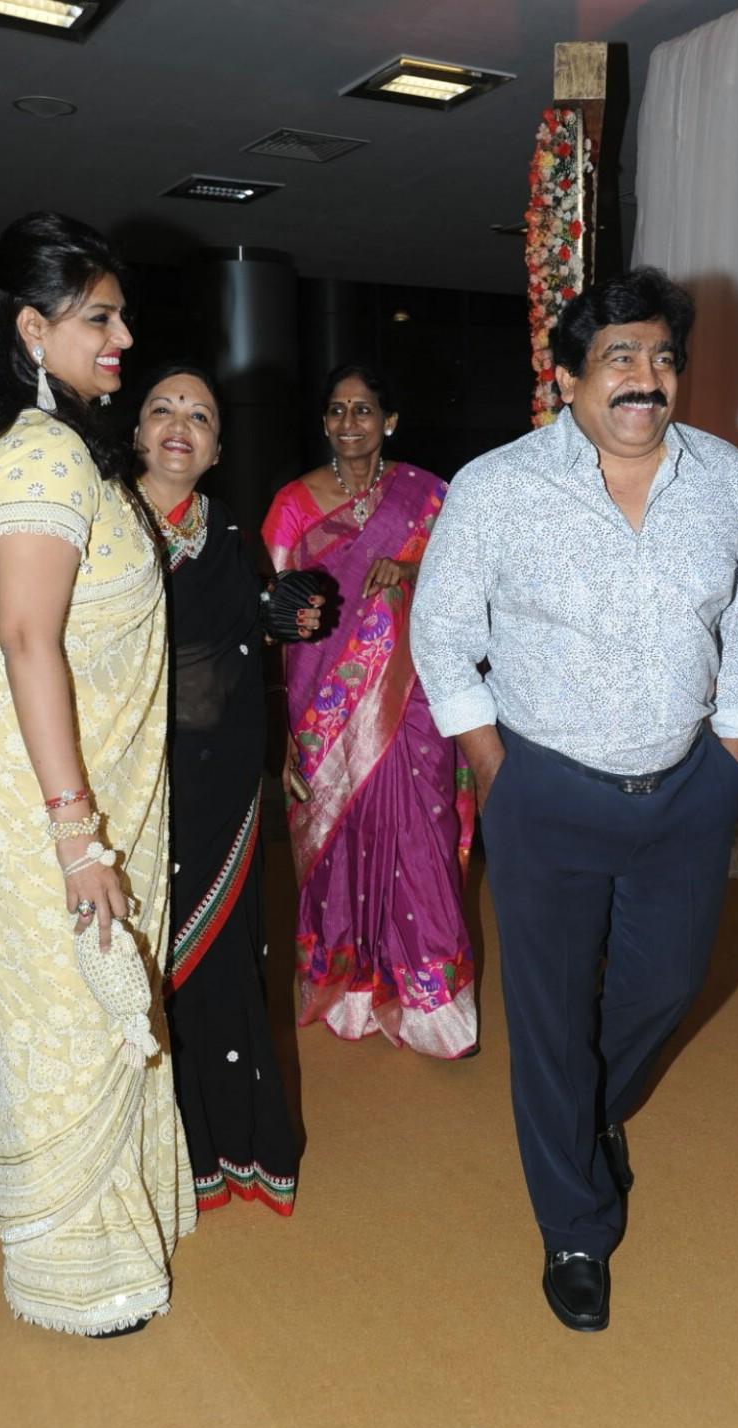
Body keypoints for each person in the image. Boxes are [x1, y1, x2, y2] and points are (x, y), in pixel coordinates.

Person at [410, 267, 738, 1331]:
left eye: (661, 358)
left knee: (667, 986)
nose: (644, 379)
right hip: (546, 789)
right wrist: (493, 766)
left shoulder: (727, 479)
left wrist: (733, 760)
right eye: (619, 358)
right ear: (566, 377)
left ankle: (586, 1114)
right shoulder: (497, 487)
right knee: (552, 1014)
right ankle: (574, 1225)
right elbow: (441, 634)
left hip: (688, 788)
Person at [0, 363, 323, 1220]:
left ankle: (225, 1150)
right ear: (134, 431)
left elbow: (235, 635)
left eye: (201, 416)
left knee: (221, 963)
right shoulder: (98, 513)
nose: (180, 424)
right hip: (117, 775)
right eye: (162, 409)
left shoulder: (228, 535)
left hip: (218, 787)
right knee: (125, 960)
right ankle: (129, 1161)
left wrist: (280, 617)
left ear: (217, 449)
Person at [0, 211, 196, 1336]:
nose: (122, 339)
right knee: (69, 1011)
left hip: (9, 755)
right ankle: (74, 1275)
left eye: (120, 316)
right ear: (34, 329)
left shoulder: (22, 441)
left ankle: (101, 1240)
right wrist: (78, 837)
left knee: (69, 1001)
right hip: (30, 787)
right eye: (99, 319)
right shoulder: (40, 449)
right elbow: (29, 637)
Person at [261, 365, 477, 1058]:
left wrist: (411, 570)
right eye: (336, 409)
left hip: (411, 698)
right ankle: (350, 989)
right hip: (322, 707)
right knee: (342, 843)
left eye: (363, 409)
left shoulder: (428, 496)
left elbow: (470, 581)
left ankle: (431, 1005)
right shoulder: (292, 506)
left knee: (421, 832)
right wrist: (280, 728)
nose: (348, 421)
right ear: (324, 421)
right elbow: (274, 620)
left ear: (389, 421)